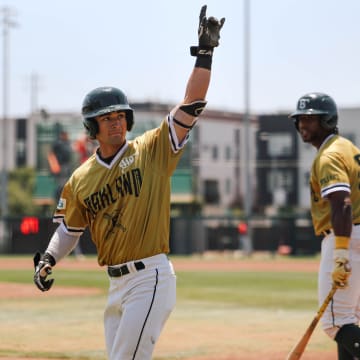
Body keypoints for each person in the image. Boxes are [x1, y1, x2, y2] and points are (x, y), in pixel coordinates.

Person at [33, 5, 225, 360]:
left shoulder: (151, 149)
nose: (116, 123)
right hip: (115, 284)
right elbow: (69, 231)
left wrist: (205, 54)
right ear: (92, 128)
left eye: (121, 116)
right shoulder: (80, 179)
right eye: (106, 119)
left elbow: (191, 105)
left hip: (150, 277)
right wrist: (47, 258)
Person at [289, 92, 360, 359]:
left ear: (327, 120)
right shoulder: (348, 148)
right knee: (351, 319)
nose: (303, 125)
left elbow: (341, 204)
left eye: (311, 119)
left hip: (346, 236)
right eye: (300, 119)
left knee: (335, 323)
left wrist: (341, 253)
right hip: (355, 235)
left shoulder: (329, 156)